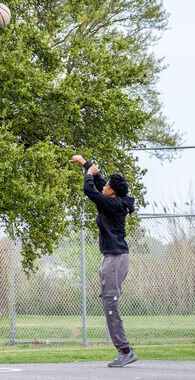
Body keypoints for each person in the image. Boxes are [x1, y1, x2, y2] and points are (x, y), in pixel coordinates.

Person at [70, 155, 138, 368]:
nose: (104, 186)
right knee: (109, 304)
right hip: (112, 259)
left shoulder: (111, 204)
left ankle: (125, 351)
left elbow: (90, 191)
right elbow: (99, 185)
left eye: (107, 185)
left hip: (116, 260)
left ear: (112, 192)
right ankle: (124, 350)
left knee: (111, 305)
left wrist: (89, 175)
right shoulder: (112, 200)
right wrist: (85, 164)